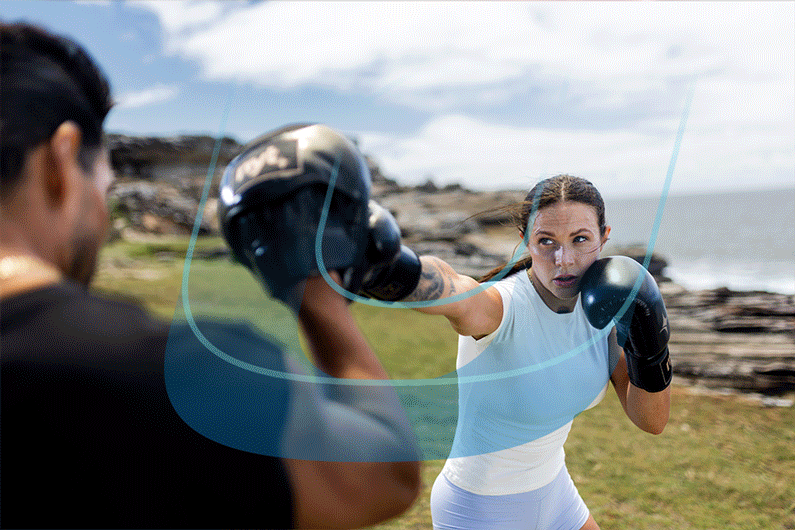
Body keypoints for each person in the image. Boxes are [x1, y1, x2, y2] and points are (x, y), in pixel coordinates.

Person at [1, 22, 420, 529]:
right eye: (104, 188)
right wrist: (316, 289)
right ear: (61, 161)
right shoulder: (178, 378)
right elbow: (386, 474)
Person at [357, 174, 672, 529]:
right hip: (479, 511)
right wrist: (392, 269)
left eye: (580, 239)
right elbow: (455, 290)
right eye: (546, 241)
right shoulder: (503, 307)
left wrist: (651, 348)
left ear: (604, 237)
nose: (563, 259)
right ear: (525, 240)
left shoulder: (605, 308)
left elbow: (651, 420)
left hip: (556, 495)